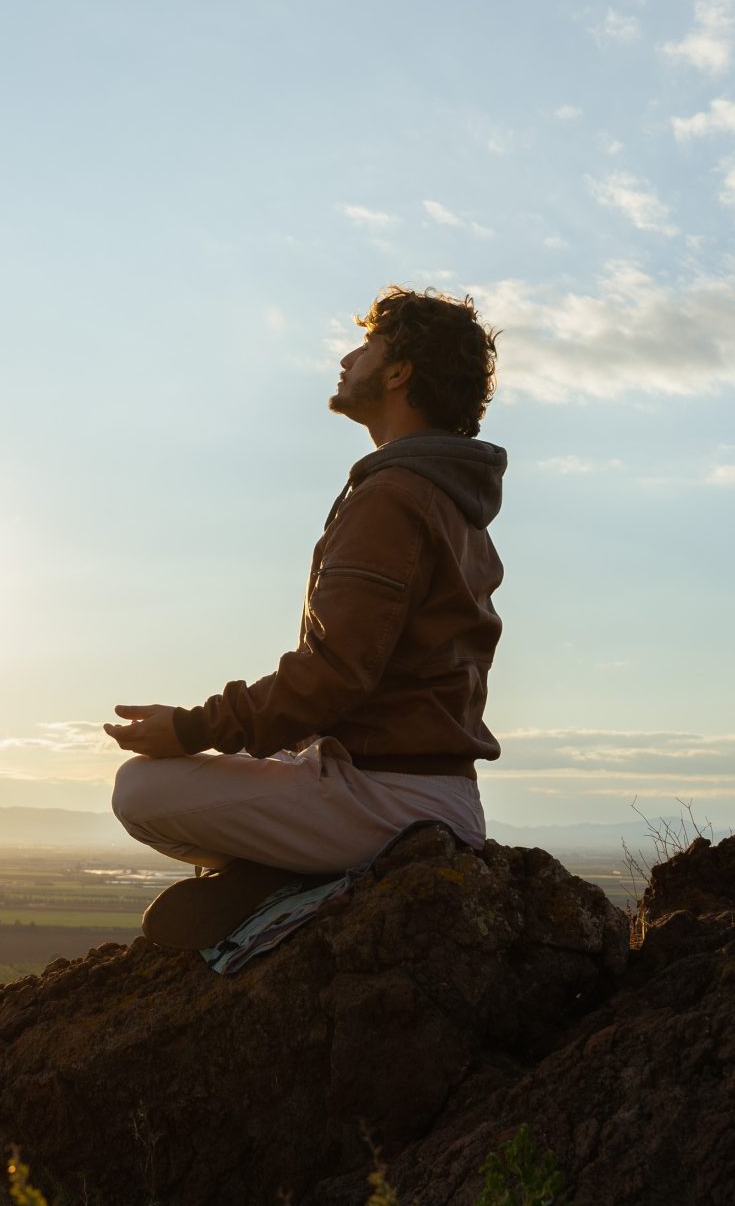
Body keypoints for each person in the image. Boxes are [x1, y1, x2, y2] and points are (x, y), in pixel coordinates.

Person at [103, 285, 506, 947]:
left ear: (400, 370)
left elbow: (337, 672)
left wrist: (194, 726)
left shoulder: (394, 496)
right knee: (194, 782)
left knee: (139, 790)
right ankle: (276, 875)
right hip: (427, 793)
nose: (347, 357)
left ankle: (291, 878)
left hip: (387, 800)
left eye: (368, 345)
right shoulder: (450, 503)